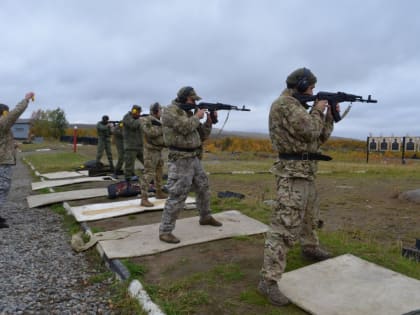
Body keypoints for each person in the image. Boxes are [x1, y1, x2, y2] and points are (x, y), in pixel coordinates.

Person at [259, 67, 336, 306]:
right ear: (300, 85)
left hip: (306, 172)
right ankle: (268, 281)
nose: (313, 92)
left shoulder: (298, 108)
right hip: (292, 174)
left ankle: (310, 248)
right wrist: (317, 110)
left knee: (310, 218)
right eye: (311, 87)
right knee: (285, 225)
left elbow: (318, 137)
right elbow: (309, 129)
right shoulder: (285, 105)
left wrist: (330, 114)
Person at [159, 86, 222, 244]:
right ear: (183, 98)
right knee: (177, 194)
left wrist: (208, 121)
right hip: (180, 159)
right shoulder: (170, 111)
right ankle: (165, 231)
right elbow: (184, 127)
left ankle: (205, 217)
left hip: (194, 157)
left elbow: (201, 135)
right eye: (192, 100)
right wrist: (197, 116)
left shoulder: (188, 113)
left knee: (203, 187)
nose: (195, 102)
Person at [0, 92, 35, 229]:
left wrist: (12, 145)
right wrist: (25, 100)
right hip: (2, 162)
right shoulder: (2, 123)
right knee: (2, 188)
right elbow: (14, 114)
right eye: (6, 113)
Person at [122, 105, 154, 207]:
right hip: (130, 146)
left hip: (139, 146)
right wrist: (141, 119)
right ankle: (128, 183)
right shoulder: (127, 117)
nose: (139, 114)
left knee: (147, 163)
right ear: (134, 111)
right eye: (138, 112)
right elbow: (133, 125)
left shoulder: (137, 119)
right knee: (129, 166)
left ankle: (150, 180)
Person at [141, 102, 168, 199]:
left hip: (158, 151)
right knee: (149, 174)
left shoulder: (158, 121)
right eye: (160, 110)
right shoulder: (146, 120)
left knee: (159, 173)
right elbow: (151, 133)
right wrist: (163, 128)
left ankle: (159, 192)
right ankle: (144, 197)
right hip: (150, 152)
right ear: (155, 111)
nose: (162, 112)